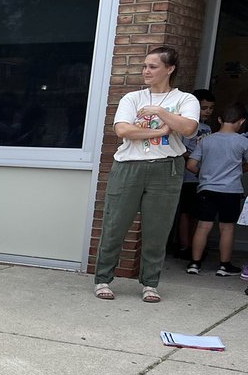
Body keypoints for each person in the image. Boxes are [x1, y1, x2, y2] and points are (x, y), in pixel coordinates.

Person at [93, 46, 200, 303]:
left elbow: (188, 128)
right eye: (144, 66)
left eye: (152, 66)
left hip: (166, 168)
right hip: (129, 166)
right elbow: (123, 130)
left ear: (170, 69)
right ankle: (103, 279)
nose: (146, 71)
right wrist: (161, 131)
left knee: (157, 229)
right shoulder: (132, 98)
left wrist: (160, 112)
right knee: (115, 225)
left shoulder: (186, 100)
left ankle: (150, 284)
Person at [185, 102, 248, 277]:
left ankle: (194, 263)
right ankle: (224, 266)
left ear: (219, 119)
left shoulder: (206, 140)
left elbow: (190, 165)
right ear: (241, 121)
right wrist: (239, 170)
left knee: (203, 226)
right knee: (227, 228)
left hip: (207, 189)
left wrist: (204, 174)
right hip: (231, 191)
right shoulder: (243, 142)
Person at [177, 89, 214, 262]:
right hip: (188, 176)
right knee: (186, 212)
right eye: (204, 108)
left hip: (202, 178)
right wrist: (193, 162)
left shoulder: (207, 128)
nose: (208, 111)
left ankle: (194, 245)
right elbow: (181, 149)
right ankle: (185, 246)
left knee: (197, 214)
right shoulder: (188, 126)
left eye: (211, 108)